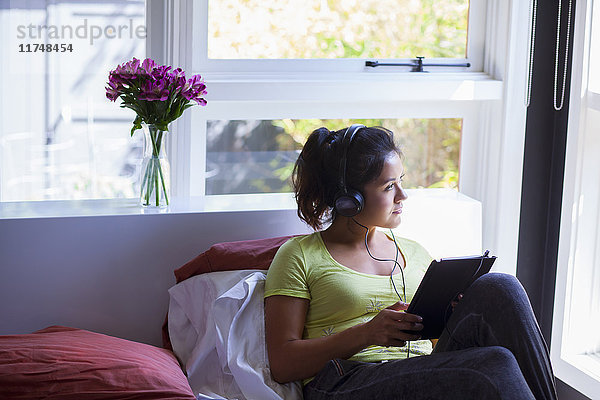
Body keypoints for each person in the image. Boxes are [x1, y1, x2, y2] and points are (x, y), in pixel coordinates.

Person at [264, 125, 558, 400]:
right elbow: (283, 363)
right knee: (494, 363)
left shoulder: (415, 253)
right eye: (389, 186)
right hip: (345, 380)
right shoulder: (299, 255)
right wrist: (367, 333)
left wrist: (453, 315)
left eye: (400, 182)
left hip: (420, 372)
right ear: (348, 199)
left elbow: (438, 345)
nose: (403, 195)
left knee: (500, 285)